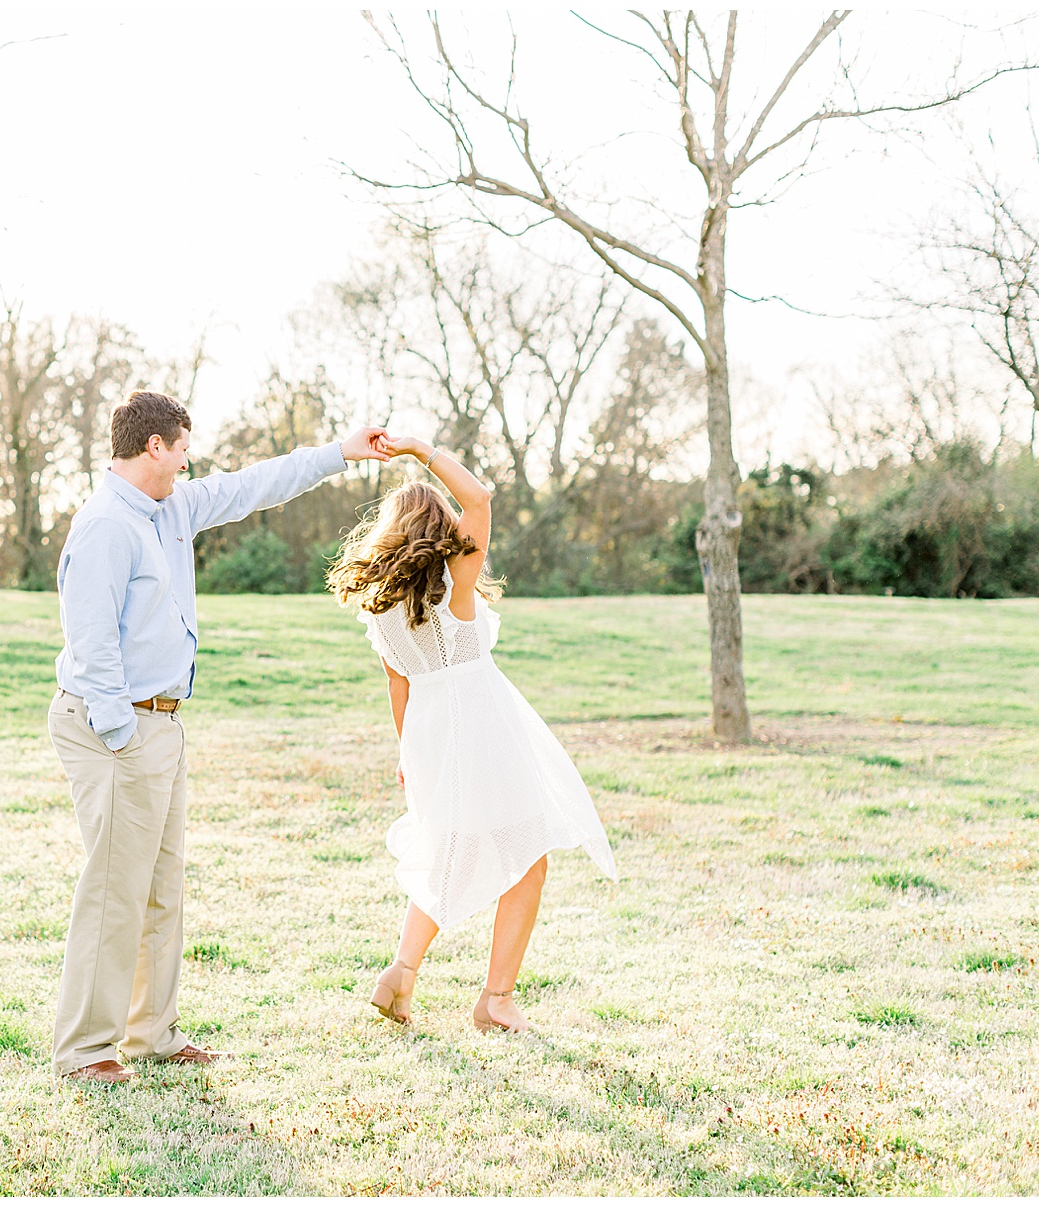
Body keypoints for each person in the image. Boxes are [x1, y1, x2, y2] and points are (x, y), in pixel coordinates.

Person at [49, 389, 389, 1083]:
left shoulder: (170, 509)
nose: (186, 462)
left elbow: (252, 485)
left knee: (161, 887)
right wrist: (123, 733)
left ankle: (152, 1034)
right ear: (154, 446)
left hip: (163, 724)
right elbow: (90, 646)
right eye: (181, 449)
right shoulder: (106, 525)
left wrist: (338, 453)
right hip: (117, 727)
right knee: (116, 887)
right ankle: (85, 1051)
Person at [326, 433, 617, 1032]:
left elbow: (398, 689)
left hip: (431, 736)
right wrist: (418, 451)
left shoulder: (384, 612)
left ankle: (402, 973)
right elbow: (480, 498)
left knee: (449, 853)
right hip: (480, 726)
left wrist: (408, 754)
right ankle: (495, 1001)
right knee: (528, 855)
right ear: (441, 531)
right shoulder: (455, 587)